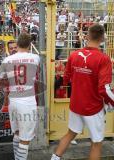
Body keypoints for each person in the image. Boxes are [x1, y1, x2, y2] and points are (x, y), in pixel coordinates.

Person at [51, 24, 114, 160]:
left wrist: (81, 79)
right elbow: (104, 89)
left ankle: (55, 158)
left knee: (70, 133)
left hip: (76, 104)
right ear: (103, 38)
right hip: (93, 107)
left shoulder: (74, 55)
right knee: (96, 143)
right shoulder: (104, 59)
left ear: (87, 36)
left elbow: (66, 79)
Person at [0, 32, 40, 160]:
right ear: (30, 45)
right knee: (25, 139)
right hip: (27, 101)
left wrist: (8, 80)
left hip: (13, 100)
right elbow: (37, 74)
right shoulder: (36, 58)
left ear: (17, 44)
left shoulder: (7, 60)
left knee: (17, 133)